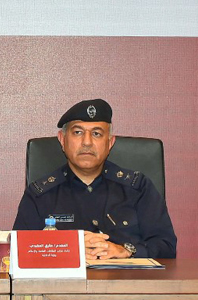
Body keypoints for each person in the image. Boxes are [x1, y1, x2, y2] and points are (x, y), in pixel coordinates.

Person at [12, 99, 177, 259]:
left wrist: (126, 250)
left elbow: (166, 246)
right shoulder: (39, 194)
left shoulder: (138, 188)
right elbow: (18, 251)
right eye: (78, 132)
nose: (87, 142)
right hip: (63, 287)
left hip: (127, 285)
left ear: (110, 142)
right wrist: (68, 247)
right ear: (62, 140)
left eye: (97, 134)